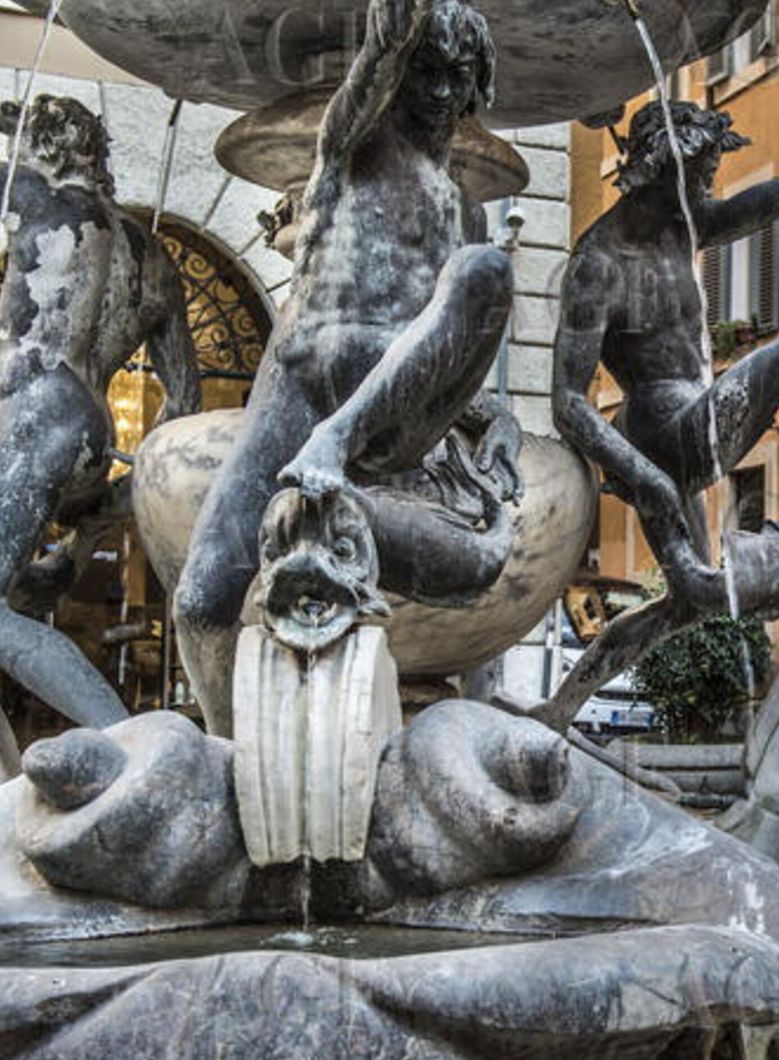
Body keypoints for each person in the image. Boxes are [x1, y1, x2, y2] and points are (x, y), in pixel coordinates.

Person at [174, 0, 520, 737]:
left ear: (475, 88)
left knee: (486, 271)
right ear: (398, 71)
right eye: (424, 70)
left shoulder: (468, 211)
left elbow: (454, 343)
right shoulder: (354, 139)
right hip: (298, 379)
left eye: (457, 77)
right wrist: (392, 37)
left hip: (392, 409)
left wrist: (501, 423)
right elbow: (374, 63)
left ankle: (337, 441)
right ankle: (228, 757)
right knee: (201, 598)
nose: (438, 91)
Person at [552, 16, 779, 613]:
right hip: (664, 442)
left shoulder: (682, 225)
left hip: (696, 424)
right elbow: (569, 403)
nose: (710, 183)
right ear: (663, 172)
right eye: (701, 173)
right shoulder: (599, 263)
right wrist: (644, 478)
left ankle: (557, 706)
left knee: (693, 606)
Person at [0, 94, 201, 728]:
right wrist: (102, 517)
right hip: (88, 429)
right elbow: (185, 402)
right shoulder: (154, 259)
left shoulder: (32, 195)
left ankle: (125, 742)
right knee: (14, 605)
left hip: (27, 408)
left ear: (49, 147)